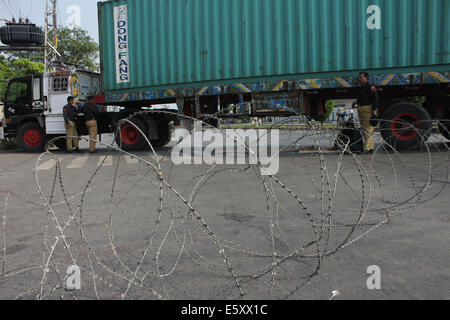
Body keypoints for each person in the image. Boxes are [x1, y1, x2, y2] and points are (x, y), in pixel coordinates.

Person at [354, 72, 378, 154]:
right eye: (359, 77)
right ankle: (370, 148)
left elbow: (374, 98)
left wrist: (374, 111)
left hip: (367, 109)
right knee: (364, 129)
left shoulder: (371, 87)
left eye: (361, 77)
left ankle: (366, 148)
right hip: (361, 108)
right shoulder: (361, 88)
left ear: (366, 78)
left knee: (367, 129)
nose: (359, 78)